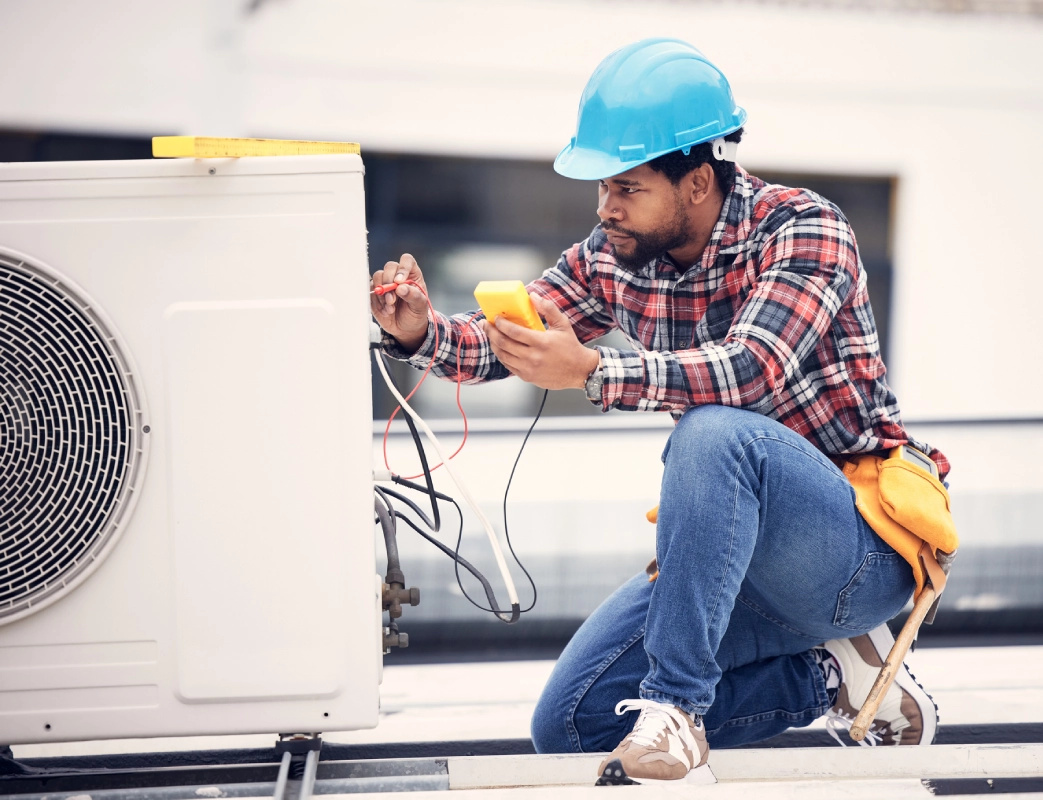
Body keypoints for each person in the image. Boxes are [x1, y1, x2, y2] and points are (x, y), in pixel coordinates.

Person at [372, 38, 944, 786]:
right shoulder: (612, 254)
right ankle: (836, 680)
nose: (605, 209)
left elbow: (748, 371)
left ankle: (674, 716)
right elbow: (508, 343)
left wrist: (595, 372)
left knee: (714, 434)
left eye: (626, 188)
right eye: (600, 189)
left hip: (851, 552)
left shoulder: (803, 230)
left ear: (698, 181)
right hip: (735, 573)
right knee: (571, 723)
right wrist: (418, 330)